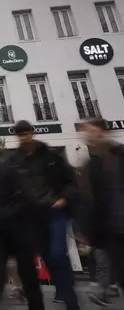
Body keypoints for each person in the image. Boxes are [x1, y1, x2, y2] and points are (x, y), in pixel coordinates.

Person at [10, 120, 79, 310]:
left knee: (57, 254)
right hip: (32, 216)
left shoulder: (50, 156)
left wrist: (64, 198)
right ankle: (65, 293)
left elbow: (70, 180)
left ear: (32, 133)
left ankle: (70, 299)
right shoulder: (15, 161)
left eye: (26, 133)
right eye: (20, 135)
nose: (24, 137)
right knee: (48, 258)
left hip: (54, 211)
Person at [0, 133, 44, 310]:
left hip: (19, 229)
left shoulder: (8, 167)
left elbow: (24, 197)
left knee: (28, 276)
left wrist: (1, 214)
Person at [78, 119, 124, 306]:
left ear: (102, 131)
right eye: (85, 132)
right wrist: (89, 230)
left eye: (91, 130)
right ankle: (105, 289)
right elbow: (90, 200)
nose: (88, 134)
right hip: (111, 227)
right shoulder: (91, 163)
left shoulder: (119, 155)